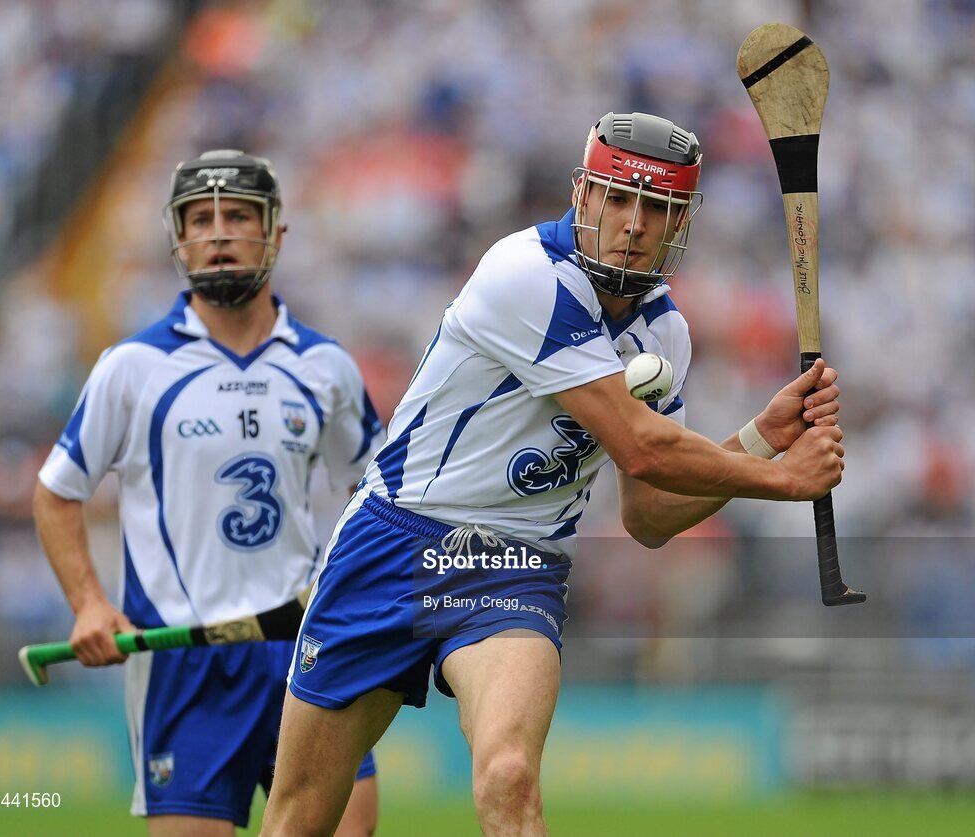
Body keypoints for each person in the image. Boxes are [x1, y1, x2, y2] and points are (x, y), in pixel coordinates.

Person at [260, 113, 845, 837]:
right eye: (617, 198)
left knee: (509, 776)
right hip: (393, 541)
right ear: (583, 195)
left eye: (656, 208)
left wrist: (759, 440)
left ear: (681, 222)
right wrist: (787, 480)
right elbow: (641, 447)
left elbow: (651, 512)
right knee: (301, 820)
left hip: (514, 566)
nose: (633, 223)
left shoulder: (665, 331)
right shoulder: (526, 274)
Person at [33, 150, 384, 837]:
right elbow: (56, 492)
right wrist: (88, 602)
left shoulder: (324, 366)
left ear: (276, 233)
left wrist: (353, 589)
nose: (218, 232)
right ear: (178, 236)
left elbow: (375, 491)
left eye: (239, 216)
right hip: (185, 665)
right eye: (200, 218)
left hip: (304, 648)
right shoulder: (132, 368)